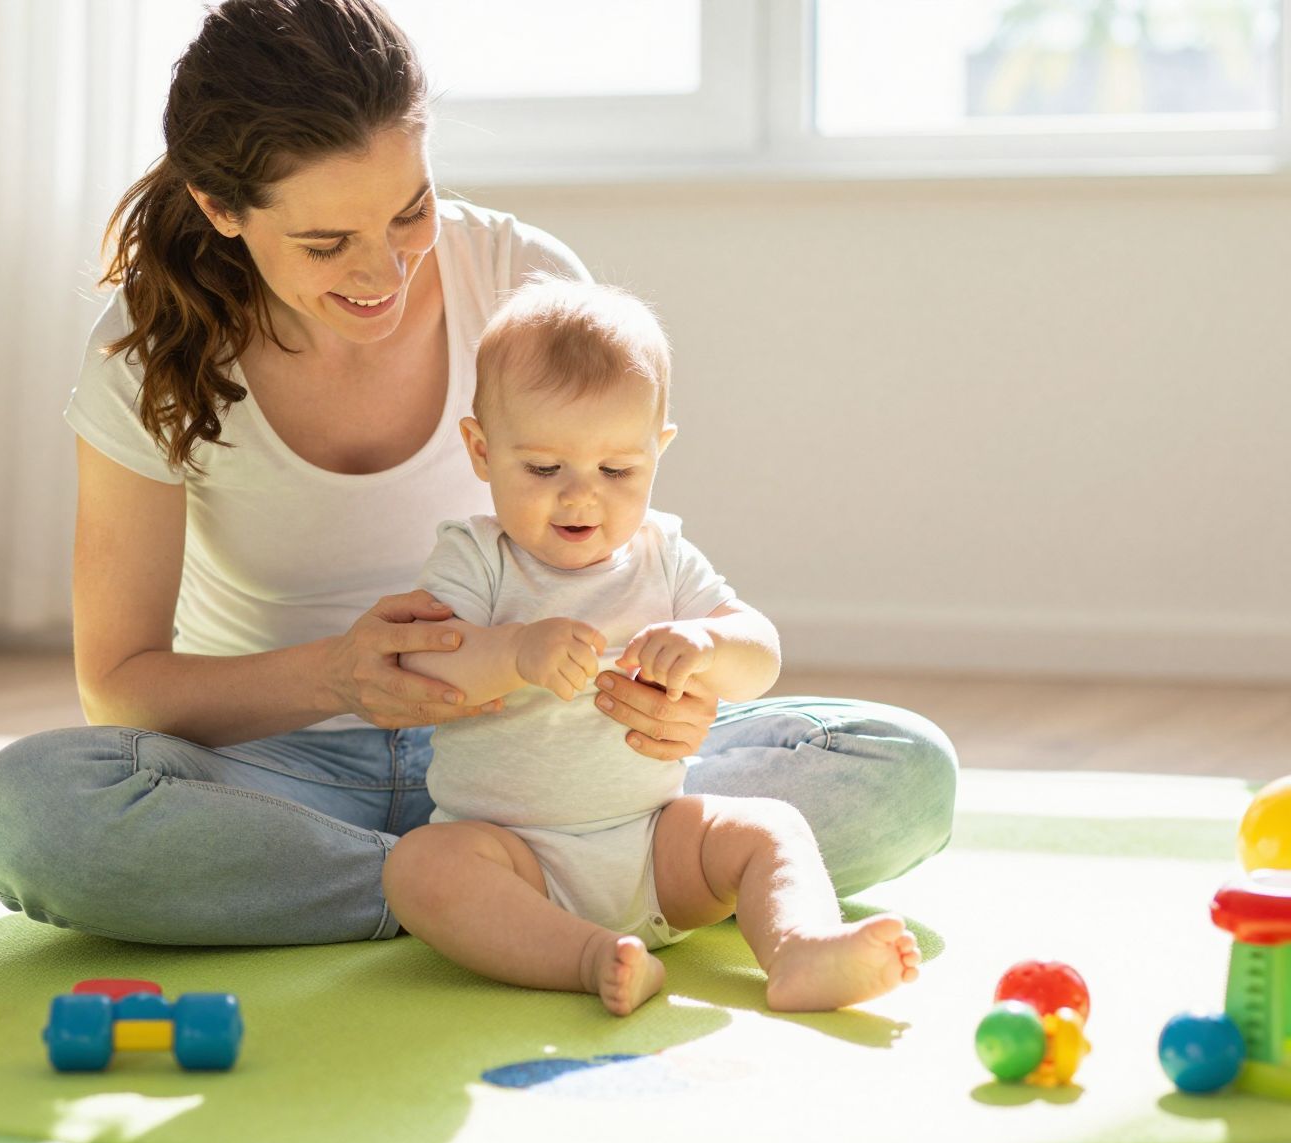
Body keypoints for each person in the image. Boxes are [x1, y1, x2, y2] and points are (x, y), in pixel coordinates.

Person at [0, 0, 957, 947]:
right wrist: (336, 676)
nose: (385, 272)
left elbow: (614, 528)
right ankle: (464, 887)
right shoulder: (147, 355)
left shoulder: (519, 281)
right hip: (289, 777)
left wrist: (679, 694)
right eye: (325, 242)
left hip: (553, 757)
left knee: (901, 772)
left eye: (410, 210)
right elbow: (123, 690)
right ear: (220, 207)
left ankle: (463, 888)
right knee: (32, 812)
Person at [385, 278, 921, 1014]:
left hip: (652, 844)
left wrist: (708, 641)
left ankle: (799, 948)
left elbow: (759, 655)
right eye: (544, 469)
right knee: (421, 868)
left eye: (617, 470)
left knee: (770, 828)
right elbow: (424, 662)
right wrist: (512, 653)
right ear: (481, 450)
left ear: (657, 453)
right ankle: (586, 957)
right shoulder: (476, 558)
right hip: (513, 856)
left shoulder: (661, 552)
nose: (581, 497)